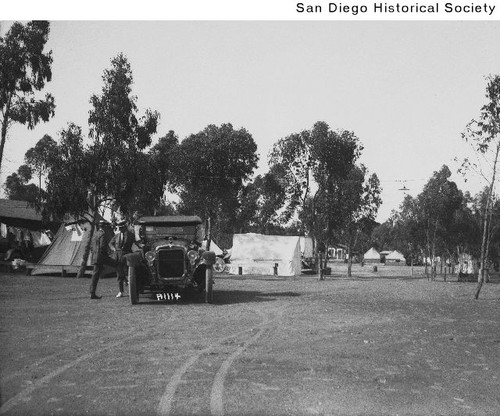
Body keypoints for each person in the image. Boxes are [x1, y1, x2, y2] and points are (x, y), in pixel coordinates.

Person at [109, 220, 135, 298]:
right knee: (119, 274)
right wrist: (113, 249)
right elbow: (110, 243)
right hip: (118, 257)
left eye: (121, 228)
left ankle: (132, 290)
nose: (120, 229)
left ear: (125, 227)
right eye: (119, 228)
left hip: (127, 256)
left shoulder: (131, 235)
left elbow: (136, 242)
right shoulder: (116, 236)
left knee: (130, 273)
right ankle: (121, 291)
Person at [89, 220, 114, 300]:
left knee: (95, 275)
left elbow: (92, 247)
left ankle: (92, 293)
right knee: (116, 264)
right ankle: (92, 293)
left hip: (95, 257)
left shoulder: (95, 234)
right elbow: (103, 246)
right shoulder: (103, 234)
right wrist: (106, 256)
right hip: (100, 257)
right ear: (105, 227)